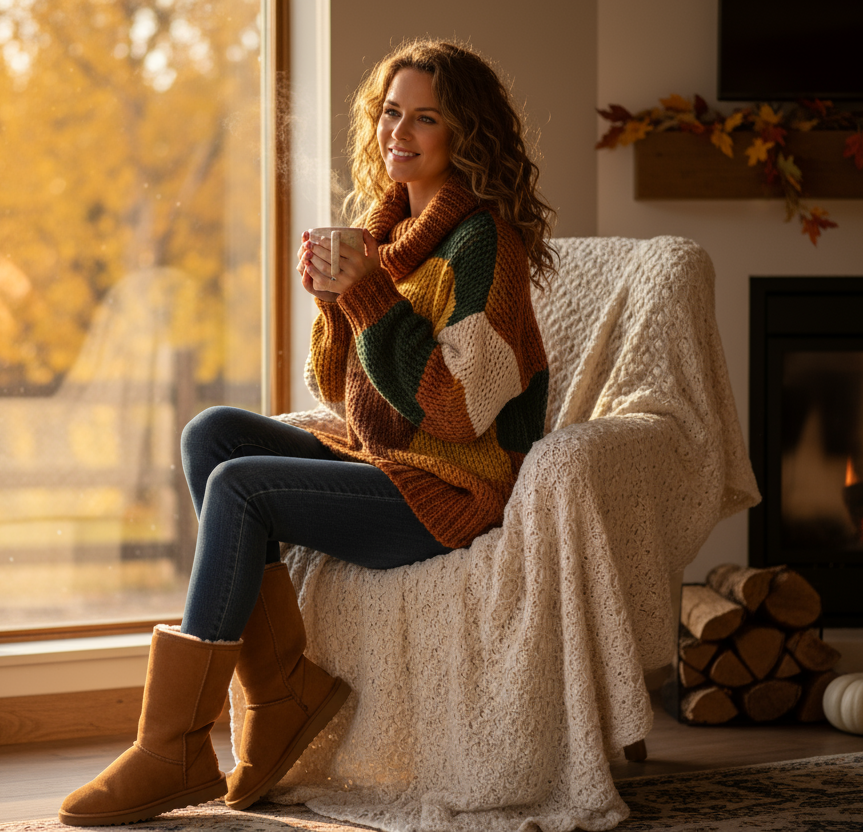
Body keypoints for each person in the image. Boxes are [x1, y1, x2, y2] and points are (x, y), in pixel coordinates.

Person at [58, 39, 555, 827]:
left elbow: (463, 412)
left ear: (466, 134)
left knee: (239, 485)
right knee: (213, 435)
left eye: (426, 118)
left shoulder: (483, 243)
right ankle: (280, 692)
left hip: (455, 488)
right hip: (393, 460)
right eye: (392, 113)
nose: (401, 131)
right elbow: (346, 395)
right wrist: (336, 303)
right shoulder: (389, 230)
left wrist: (364, 298)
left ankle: (175, 746)